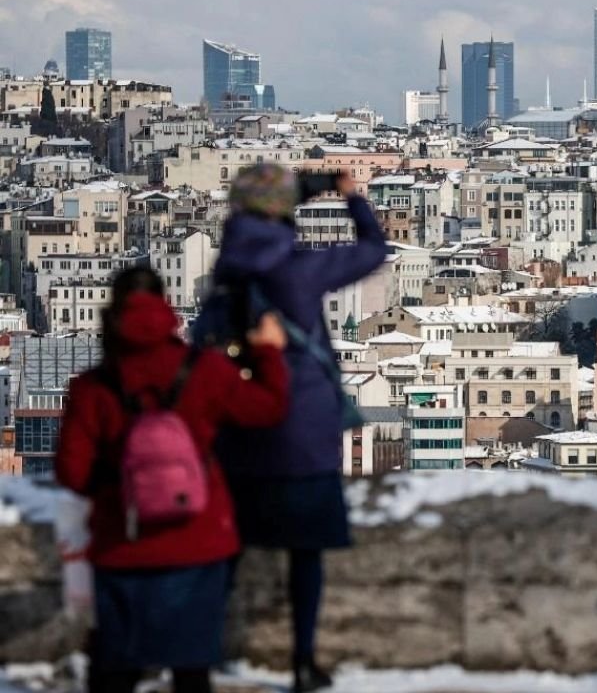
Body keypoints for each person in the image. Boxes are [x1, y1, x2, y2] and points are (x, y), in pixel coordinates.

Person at [55, 267, 290, 693]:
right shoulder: (205, 370)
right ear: (166, 306)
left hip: (121, 544)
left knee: (115, 670)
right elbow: (268, 410)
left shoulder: (94, 387)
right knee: (191, 667)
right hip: (197, 539)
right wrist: (268, 353)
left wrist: (120, 490)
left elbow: (72, 473)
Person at [213, 164, 386, 693]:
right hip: (304, 431)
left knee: (226, 552)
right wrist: (348, 197)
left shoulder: (226, 270)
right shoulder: (298, 268)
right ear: (286, 208)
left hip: (241, 431)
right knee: (305, 555)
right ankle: (303, 662)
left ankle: (206, 651)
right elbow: (374, 249)